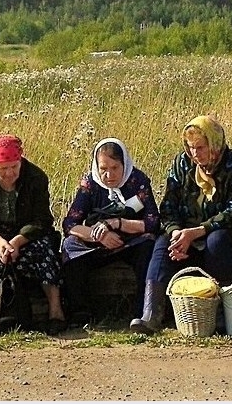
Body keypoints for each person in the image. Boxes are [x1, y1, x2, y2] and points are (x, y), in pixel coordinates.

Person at [130, 115, 232, 334]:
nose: (195, 153)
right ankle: (151, 314)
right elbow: (168, 207)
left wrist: (199, 230)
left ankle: (219, 311)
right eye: (191, 148)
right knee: (162, 245)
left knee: (216, 241)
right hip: (187, 232)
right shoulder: (182, 164)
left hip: (229, 232)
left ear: (214, 144)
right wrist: (176, 235)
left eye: (200, 147)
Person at [0, 134, 67, 335]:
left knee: (45, 251)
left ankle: (56, 311)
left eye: (14, 167)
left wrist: (18, 241)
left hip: (25, 236)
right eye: (3, 169)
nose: (9, 173)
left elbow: (42, 220)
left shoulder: (36, 177)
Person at [61, 138, 159, 328]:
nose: (109, 175)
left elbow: (153, 222)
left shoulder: (137, 181)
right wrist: (99, 235)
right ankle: (80, 312)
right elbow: (70, 224)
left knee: (149, 244)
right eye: (103, 168)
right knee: (69, 246)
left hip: (130, 241)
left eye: (115, 168)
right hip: (98, 244)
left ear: (124, 164)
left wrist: (117, 223)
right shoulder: (90, 184)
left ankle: (142, 311)